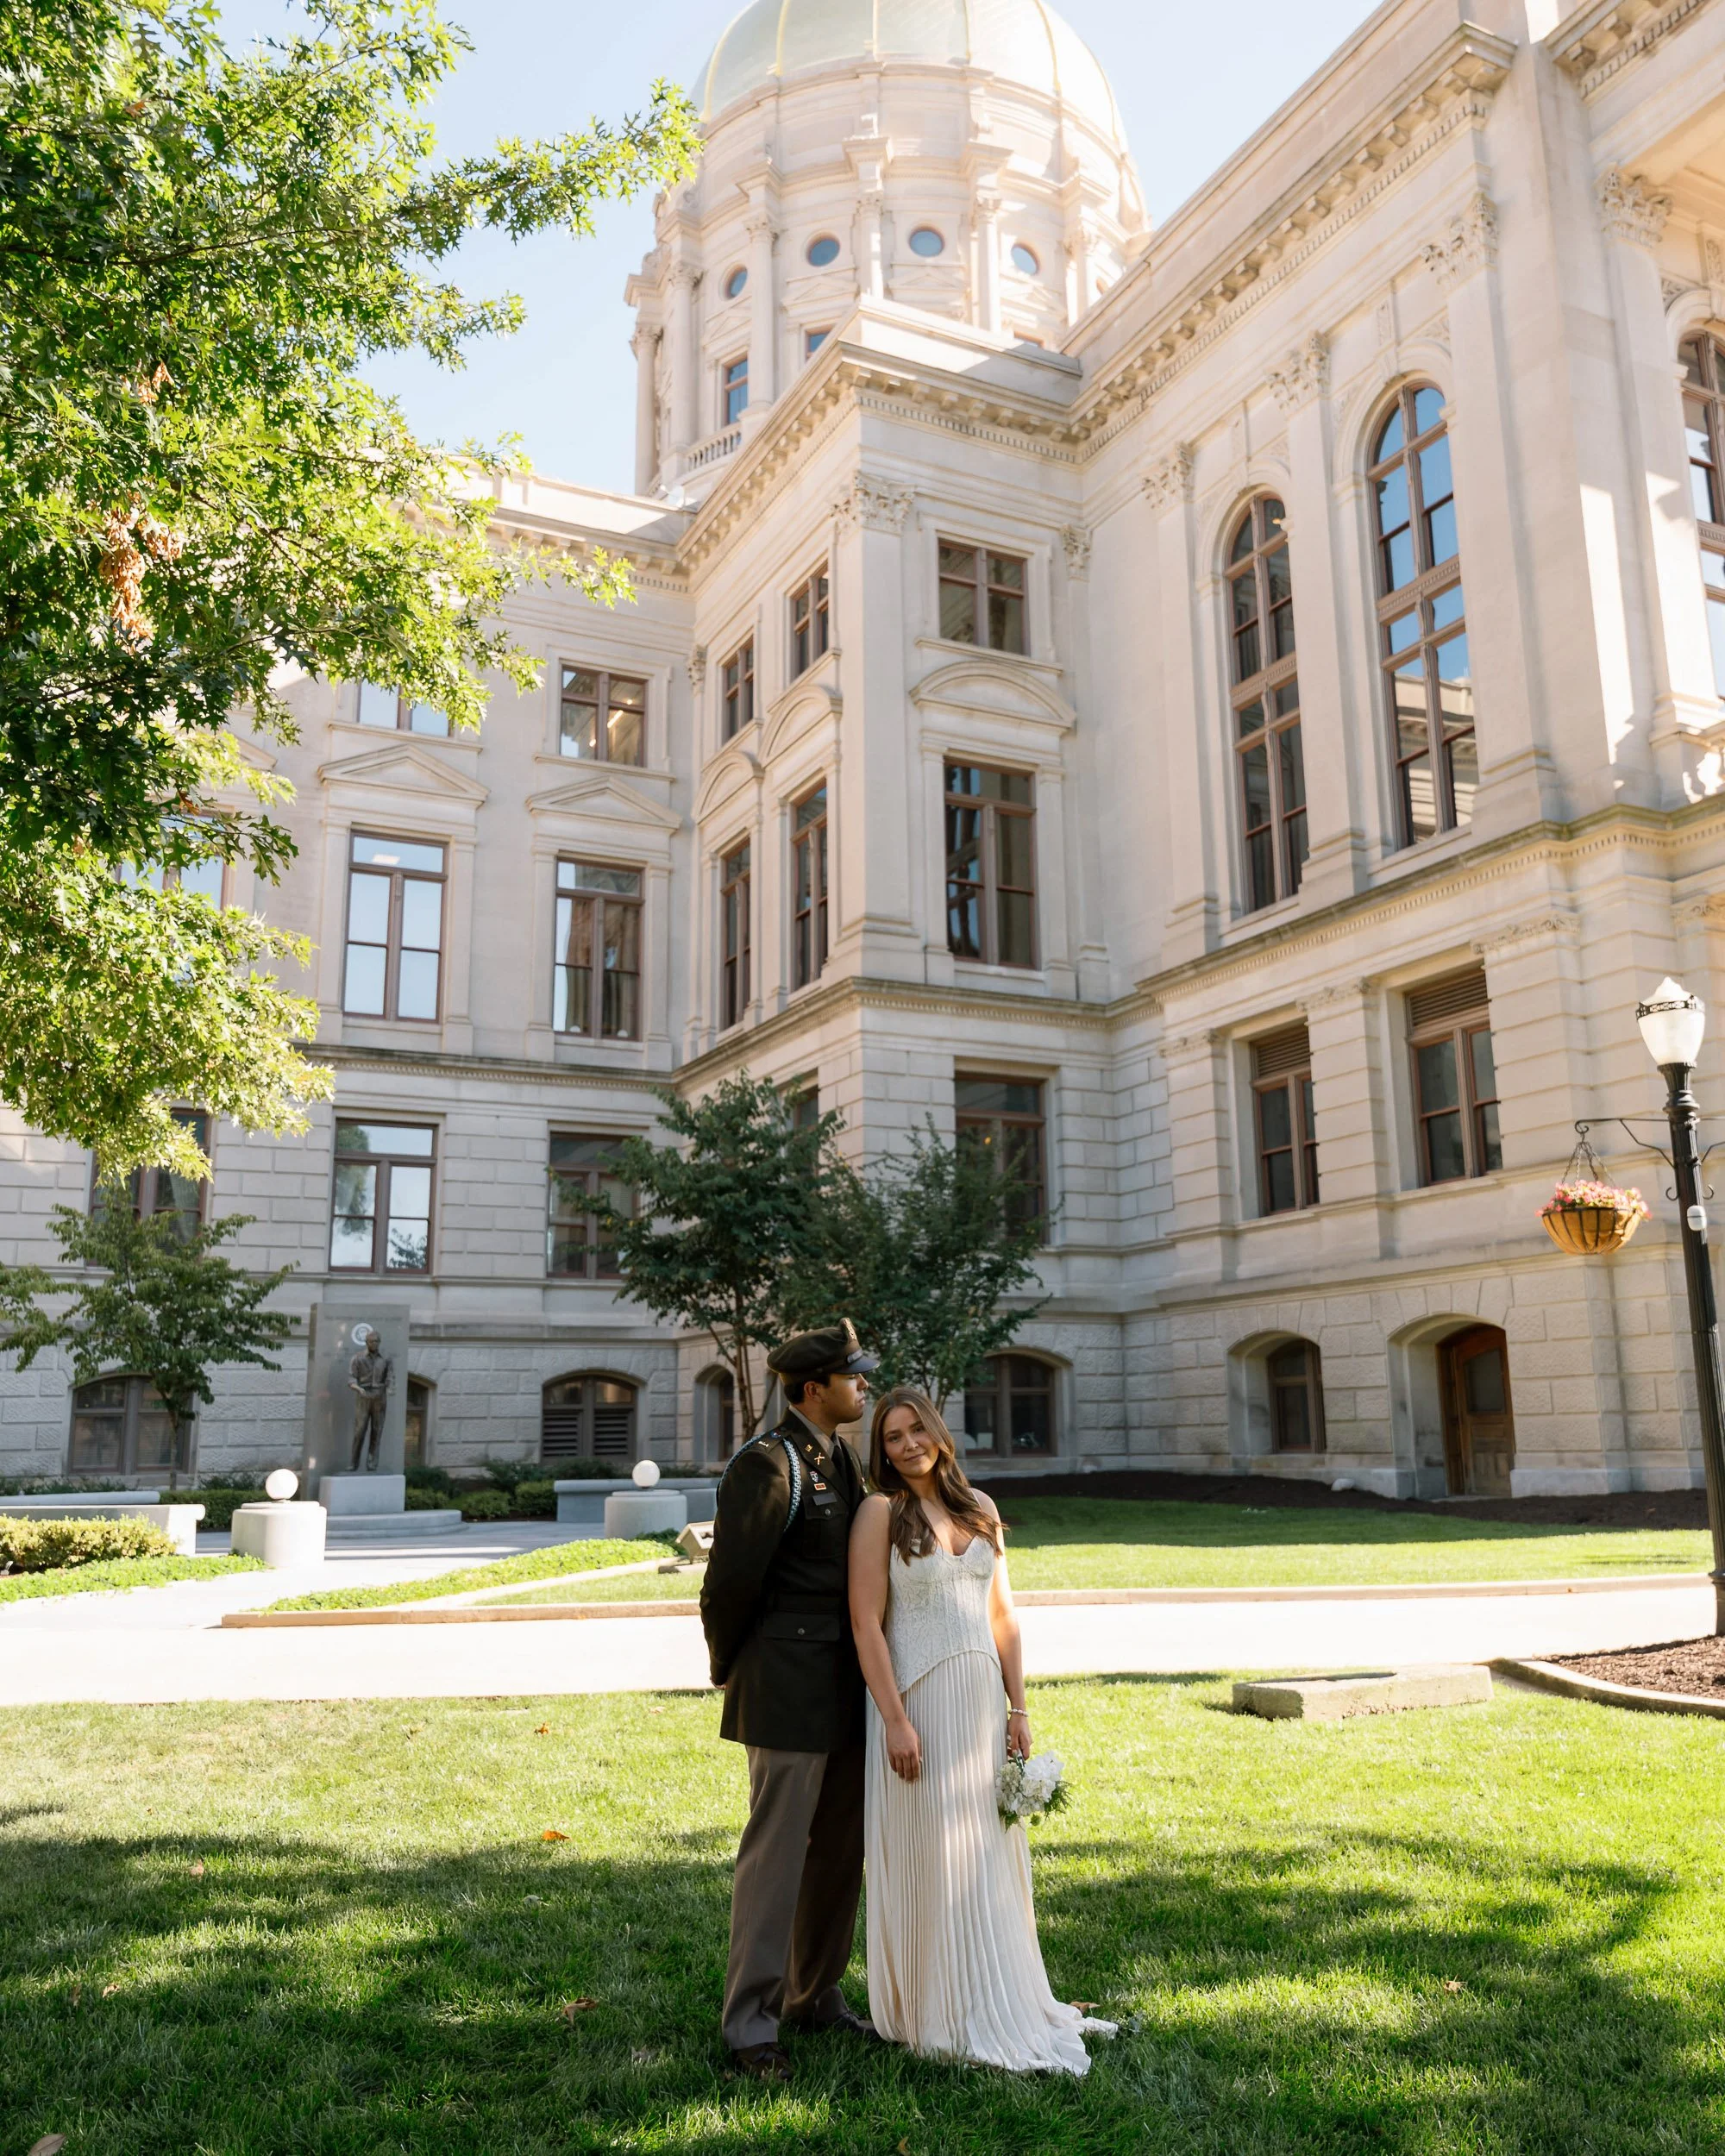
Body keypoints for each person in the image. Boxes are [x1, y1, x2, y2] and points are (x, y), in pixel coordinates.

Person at [848, 1384, 1114, 2073]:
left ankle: (1001, 1992)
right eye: (892, 1437)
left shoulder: (981, 1508)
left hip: (980, 1708)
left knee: (986, 1855)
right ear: (881, 1452)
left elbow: (1004, 1617)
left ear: (938, 1432)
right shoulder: (880, 1513)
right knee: (935, 1852)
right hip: (919, 1705)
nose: (907, 1445)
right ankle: (937, 2009)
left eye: (916, 1431)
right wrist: (895, 1720)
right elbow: (865, 1626)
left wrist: (1018, 1706)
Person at [699, 1320, 881, 2084]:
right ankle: (751, 2025)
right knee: (776, 1858)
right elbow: (729, 1587)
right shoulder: (769, 1466)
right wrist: (732, 1672)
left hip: (845, 1686)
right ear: (815, 1389)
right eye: (853, 1377)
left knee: (839, 1852)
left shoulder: (840, 1459)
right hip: (785, 1686)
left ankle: (815, 1993)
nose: (864, 1386)